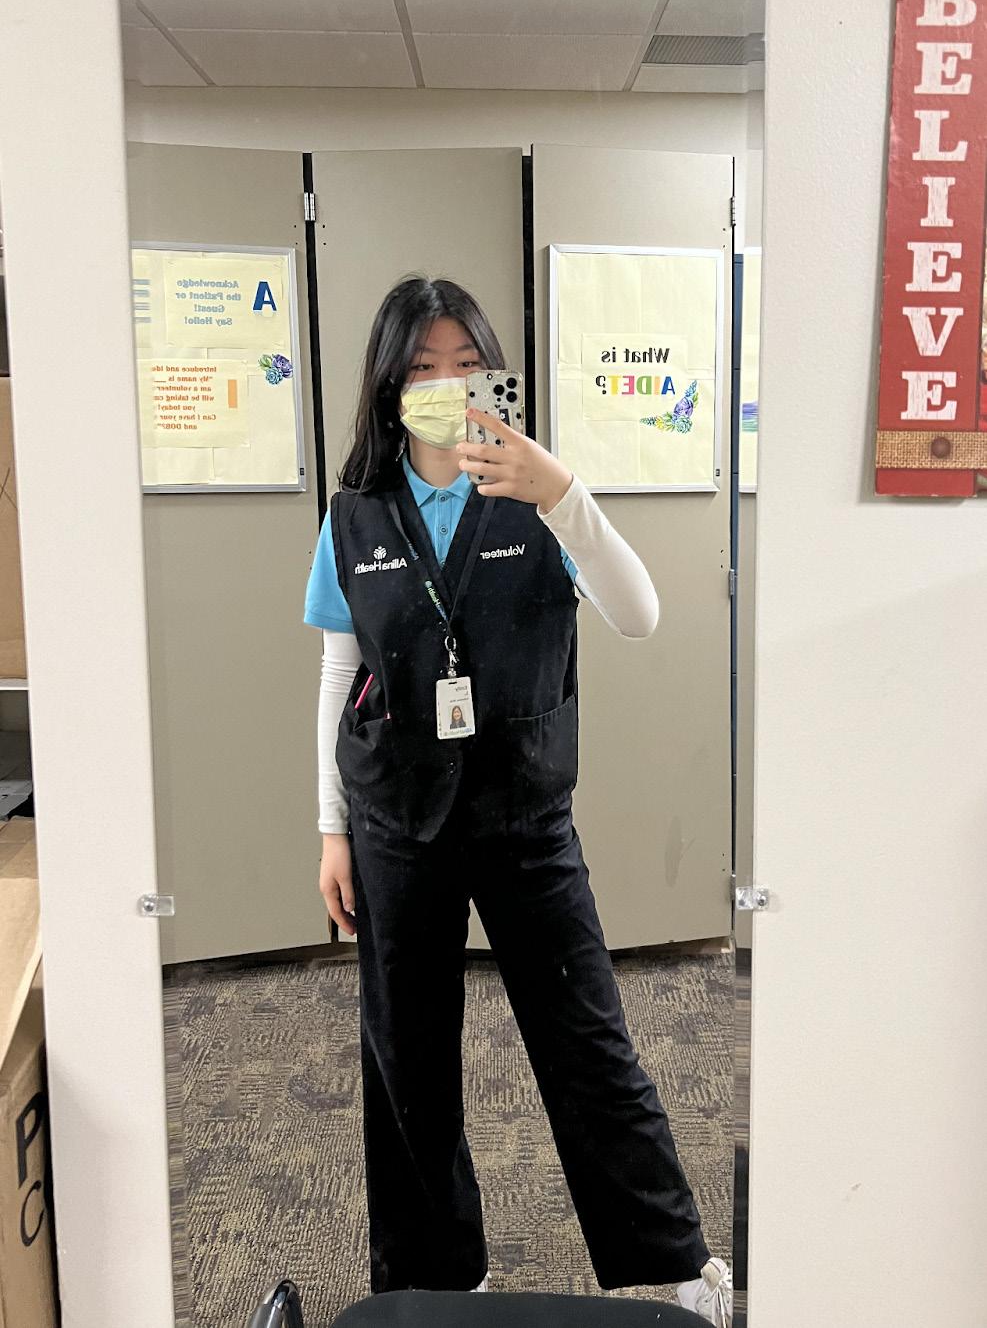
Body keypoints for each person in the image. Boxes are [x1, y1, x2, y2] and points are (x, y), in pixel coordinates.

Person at [303, 275, 733, 1328]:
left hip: (522, 814)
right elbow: (338, 671)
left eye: (466, 365)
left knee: (587, 1037)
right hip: (396, 818)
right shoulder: (355, 515)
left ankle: (678, 1262)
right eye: (421, 367)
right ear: (389, 386)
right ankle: (438, 1277)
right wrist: (330, 828)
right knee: (407, 1056)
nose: (445, 385)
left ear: (496, 378)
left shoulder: (538, 494)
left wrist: (562, 493)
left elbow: (639, 613)